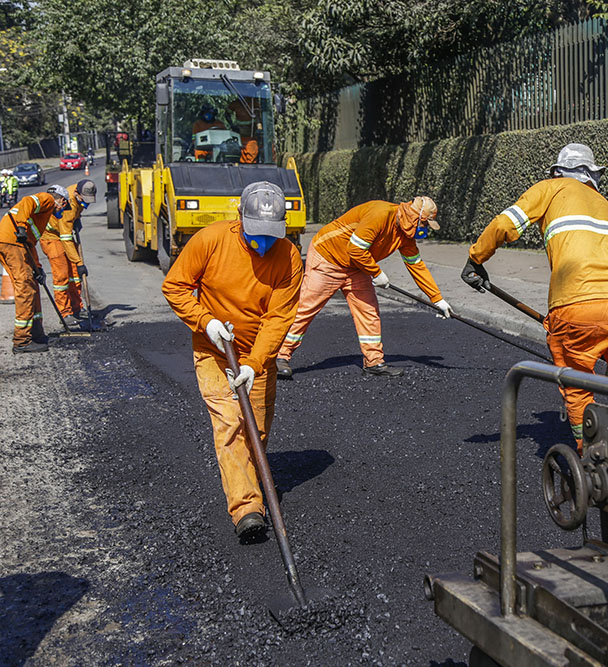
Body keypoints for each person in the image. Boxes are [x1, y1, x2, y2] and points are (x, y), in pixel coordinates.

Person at [461, 143, 608, 451]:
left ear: (559, 171)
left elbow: (505, 224)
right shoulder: (605, 205)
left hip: (574, 307)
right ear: (590, 175)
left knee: (577, 386)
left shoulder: (549, 188)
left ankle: (590, 457)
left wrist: (476, 258)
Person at [162, 181, 303, 541]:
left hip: (256, 355)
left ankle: (251, 485)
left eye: (271, 236)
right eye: (257, 235)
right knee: (230, 424)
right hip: (214, 351)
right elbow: (175, 286)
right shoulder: (210, 241)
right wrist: (205, 321)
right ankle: (247, 509)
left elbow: (277, 318)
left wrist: (254, 364)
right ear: (239, 216)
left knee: (256, 431)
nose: (263, 244)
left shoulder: (288, 257)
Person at [275, 196, 453, 378]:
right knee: (306, 307)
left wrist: (437, 299)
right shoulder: (381, 215)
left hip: (356, 266)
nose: (423, 230)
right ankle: (280, 357)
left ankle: (374, 362)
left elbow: (417, 266)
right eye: (424, 225)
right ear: (415, 217)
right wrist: (376, 273)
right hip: (328, 257)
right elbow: (356, 249)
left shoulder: (405, 236)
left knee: (369, 311)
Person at [0, 186, 69, 352]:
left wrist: (38, 268)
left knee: (32, 285)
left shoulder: (41, 217)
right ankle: (21, 341)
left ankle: (37, 334)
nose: (63, 210)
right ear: (61, 200)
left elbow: (30, 244)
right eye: (64, 206)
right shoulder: (48, 200)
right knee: (25, 289)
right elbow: (28, 201)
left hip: (13, 243)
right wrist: (20, 226)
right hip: (12, 241)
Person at [39, 180, 97, 327]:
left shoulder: (78, 193)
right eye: (84, 200)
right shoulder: (68, 205)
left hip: (63, 234)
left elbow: (70, 225)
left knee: (74, 275)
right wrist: (79, 262)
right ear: (77, 194)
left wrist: (77, 219)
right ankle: (64, 313)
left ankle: (77, 308)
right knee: (62, 275)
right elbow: (65, 237)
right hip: (52, 237)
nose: (86, 204)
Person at [228, 98, 260, 164]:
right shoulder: (236, 103)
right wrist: (232, 125)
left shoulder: (253, 102)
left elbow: (258, 116)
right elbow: (227, 113)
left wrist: (259, 128)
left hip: (250, 137)